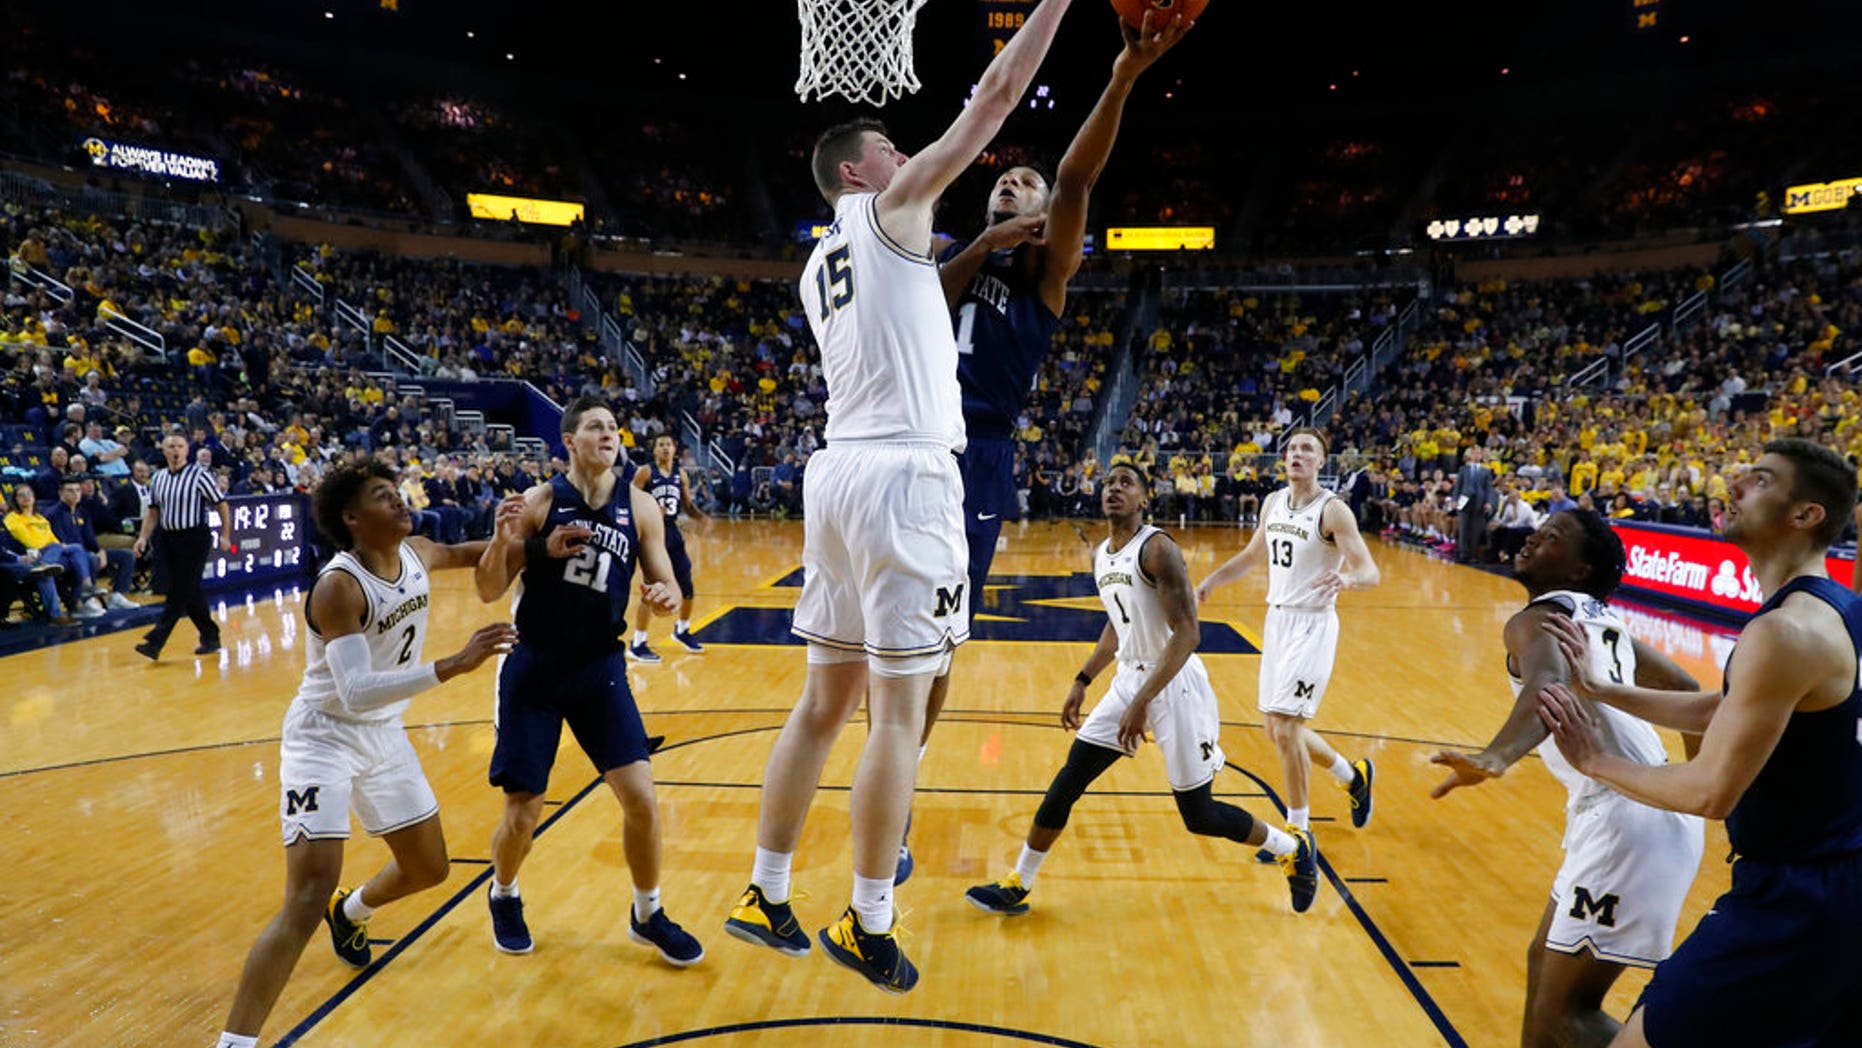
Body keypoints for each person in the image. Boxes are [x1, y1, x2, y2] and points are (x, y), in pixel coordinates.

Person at [722, 0, 1073, 995]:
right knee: (894, 715)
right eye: (888, 144)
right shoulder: (891, 208)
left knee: (821, 701)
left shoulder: (816, 264)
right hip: (907, 477)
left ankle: (765, 887)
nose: (904, 150)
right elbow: (993, 98)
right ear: (855, 171)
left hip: (833, 477)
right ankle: (868, 918)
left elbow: (933, 283)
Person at [895, 10, 1192, 885]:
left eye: (1022, 185)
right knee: (878, 637)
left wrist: (1124, 75)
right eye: (1004, 182)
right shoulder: (948, 252)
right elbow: (921, 305)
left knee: (938, 642)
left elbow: (1074, 174)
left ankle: (899, 788)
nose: (1014, 185)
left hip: (977, 459)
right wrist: (982, 241)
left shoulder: (1045, 283)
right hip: (909, 446)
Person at [1538, 439, 1862, 1047]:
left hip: (1798, 900)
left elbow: (1709, 790)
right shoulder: (1838, 609)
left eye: (1760, 481)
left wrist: (1593, 760)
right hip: (1836, 884)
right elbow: (1724, 708)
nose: (1734, 485)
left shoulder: (1785, 630)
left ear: (1806, 514)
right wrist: (1604, 689)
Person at [213, 461, 516, 1048]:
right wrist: (453, 664)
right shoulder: (339, 585)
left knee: (429, 869)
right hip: (323, 738)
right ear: (352, 518)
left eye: (398, 493)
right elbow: (351, 688)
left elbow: (466, 552)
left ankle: (350, 911)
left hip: (384, 734)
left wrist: (518, 541)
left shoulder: (419, 552)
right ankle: (234, 1043)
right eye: (384, 497)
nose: (401, 503)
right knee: (303, 897)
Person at [964, 462, 1318, 918]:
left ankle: (1291, 848)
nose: (1115, 489)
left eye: (1126, 483)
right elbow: (1117, 622)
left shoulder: (1157, 549)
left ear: (1144, 498)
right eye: (1109, 483)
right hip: (1131, 680)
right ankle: (1018, 882)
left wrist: (1142, 701)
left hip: (1175, 685)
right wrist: (1083, 679)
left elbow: (1188, 634)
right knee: (1068, 781)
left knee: (1199, 815)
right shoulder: (1104, 554)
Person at [1429, 510, 1705, 1046]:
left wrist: (1497, 755)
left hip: (1625, 817)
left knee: (1563, 1015)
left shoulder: (1538, 619)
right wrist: (1694, 779)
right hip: (1636, 806)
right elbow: (1690, 687)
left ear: (1579, 569)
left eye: (1552, 536)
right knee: (1544, 981)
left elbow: (1549, 684)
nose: (1533, 536)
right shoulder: (1600, 619)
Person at [473, 397, 702, 966]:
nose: (609, 434)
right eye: (595, 426)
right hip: (537, 668)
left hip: (600, 668)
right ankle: (503, 892)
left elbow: (665, 582)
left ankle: (647, 912)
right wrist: (504, 543)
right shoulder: (538, 502)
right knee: (524, 813)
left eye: (613, 427)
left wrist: (668, 596)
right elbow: (486, 589)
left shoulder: (640, 504)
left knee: (642, 801)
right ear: (569, 442)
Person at [1196, 428, 1379, 850]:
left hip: (1313, 624)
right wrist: (1211, 580)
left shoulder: (1333, 511)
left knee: (1286, 729)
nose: (1297, 454)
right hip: (1277, 623)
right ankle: (1354, 777)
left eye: (1307, 449)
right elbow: (1252, 556)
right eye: (1293, 448)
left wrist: (1348, 579)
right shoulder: (1273, 502)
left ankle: (1299, 833)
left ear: (1321, 461)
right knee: (1276, 730)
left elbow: (1371, 572)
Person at [134, 433, 232, 659]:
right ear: (164, 451)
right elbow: (153, 511)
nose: (176, 450)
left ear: (187, 450)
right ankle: (210, 635)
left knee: (180, 589)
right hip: (168, 537)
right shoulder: (158, 477)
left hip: (195, 537)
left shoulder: (199, 475)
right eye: (171, 446)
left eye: (180, 446)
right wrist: (142, 538)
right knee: (188, 589)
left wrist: (225, 535)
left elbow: (222, 505)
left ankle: (156, 640)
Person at [628, 433, 712, 662]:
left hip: (673, 533)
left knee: (687, 586)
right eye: (661, 445)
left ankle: (682, 630)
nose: (665, 448)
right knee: (651, 588)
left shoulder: (680, 474)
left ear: (675, 450)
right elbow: (629, 500)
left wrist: (700, 517)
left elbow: (687, 503)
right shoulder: (645, 472)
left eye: (669, 444)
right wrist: (650, 513)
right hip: (652, 533)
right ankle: (637, 642)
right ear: (654, 450)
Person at [4, 486, 104, 618]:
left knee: (79, 551)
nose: (26, 497)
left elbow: (54, 539)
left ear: (34, 497)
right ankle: (69, 603)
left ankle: (83, 590)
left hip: (50, 556)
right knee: (63, 552)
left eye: (29, 493)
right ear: (15, 500)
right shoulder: (12, 518)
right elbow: (28, 541)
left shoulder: (40, 518)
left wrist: (57, 546)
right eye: (21, 495)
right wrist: (54, 546)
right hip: (34, 554)